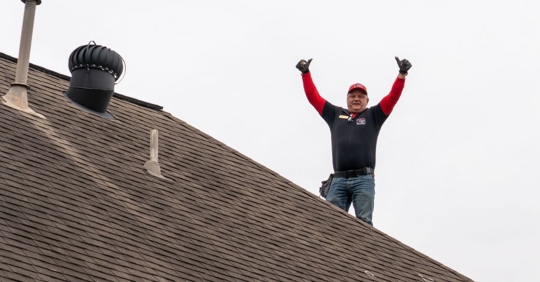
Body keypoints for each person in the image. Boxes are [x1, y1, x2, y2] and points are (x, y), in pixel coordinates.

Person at [296, 57, 412, 226]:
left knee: (364, 225)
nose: (356, 99)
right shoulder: (335, 114)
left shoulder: (373, 116)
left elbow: (392, 98)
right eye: (352, 96)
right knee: (331, 225)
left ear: (367, 101)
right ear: (347, 99)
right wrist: (305, 74)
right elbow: (314, 98)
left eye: (360, 96)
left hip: (363, 179)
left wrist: (402, 75)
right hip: (338, 180)